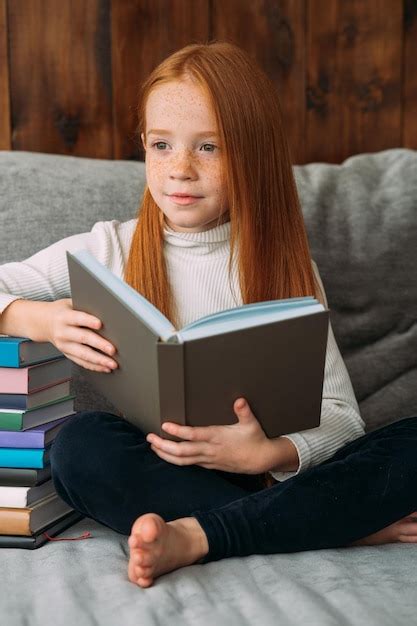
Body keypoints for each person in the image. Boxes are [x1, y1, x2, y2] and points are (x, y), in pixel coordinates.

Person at [0, 41, 416, 589]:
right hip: (161, 475)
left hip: (267, 478)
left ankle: (200, 536)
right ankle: (324, 525)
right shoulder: (109, 249)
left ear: (251, 153)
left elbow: (342, 416)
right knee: (80, 447)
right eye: (162, 145)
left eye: (209, 147)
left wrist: (267, 452)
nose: (181, 169)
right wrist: (40, 319)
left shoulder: (288, 266)